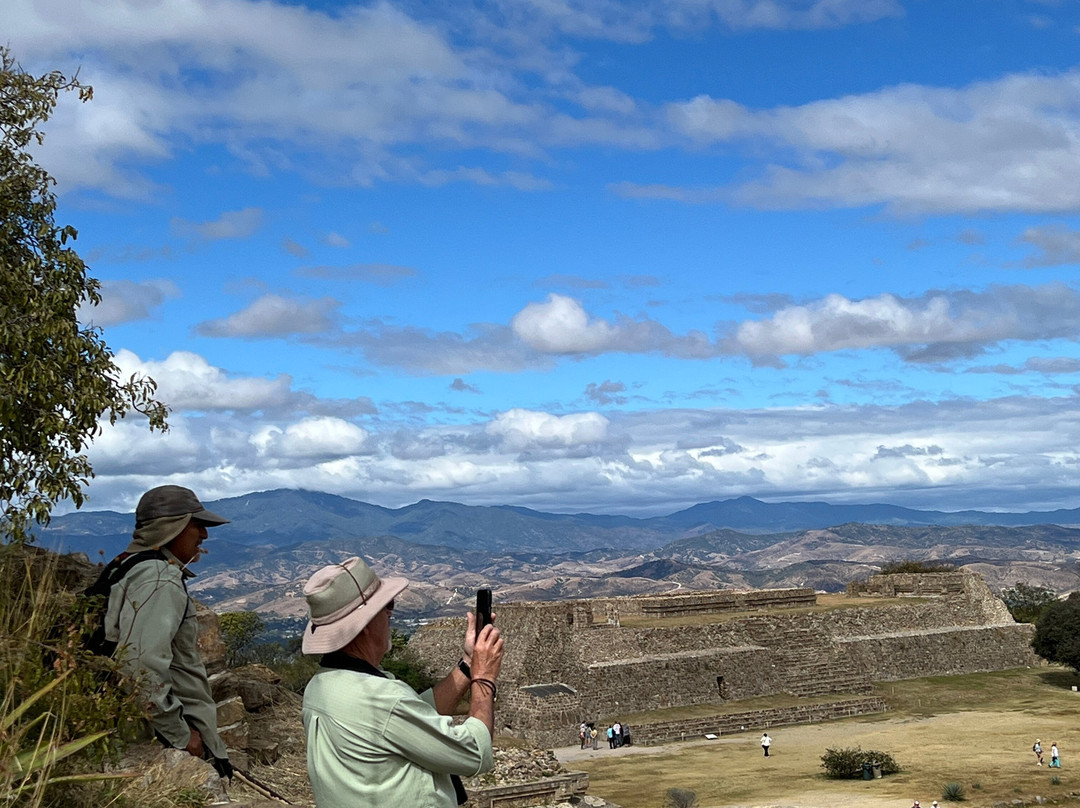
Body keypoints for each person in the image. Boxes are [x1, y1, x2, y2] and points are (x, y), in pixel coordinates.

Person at [301, 556, 504, 808]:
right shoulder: (382, 698)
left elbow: (415, 713)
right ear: (364, 624)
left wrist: (467, 663)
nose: (390, 614)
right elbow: (475, 753)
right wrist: (484, 678)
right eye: (387, 605)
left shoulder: (321, 685)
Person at [103, 485, 232, 778]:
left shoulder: (126, 566)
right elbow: (140, 665)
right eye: (197, 525)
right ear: (172, 528)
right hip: (161, 740)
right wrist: (182, 735)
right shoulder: (160, 579)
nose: (205, 535)